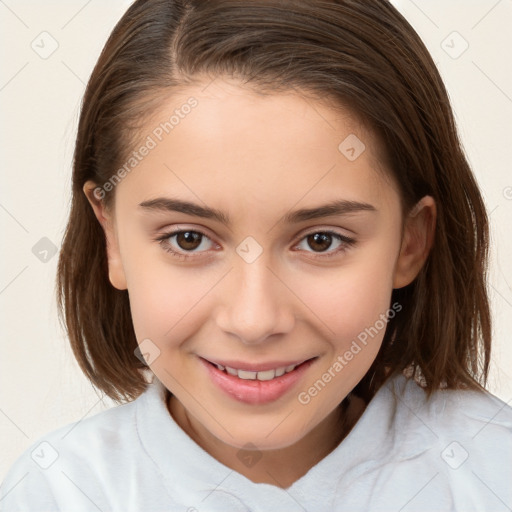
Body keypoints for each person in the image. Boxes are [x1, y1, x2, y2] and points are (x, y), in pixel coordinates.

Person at [1, 0, 511, 510]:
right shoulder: (57, 493)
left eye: (321, 240)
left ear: (410, 242)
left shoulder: (491, 471)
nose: (253, 321)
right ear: (111, 236)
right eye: (188, 239)